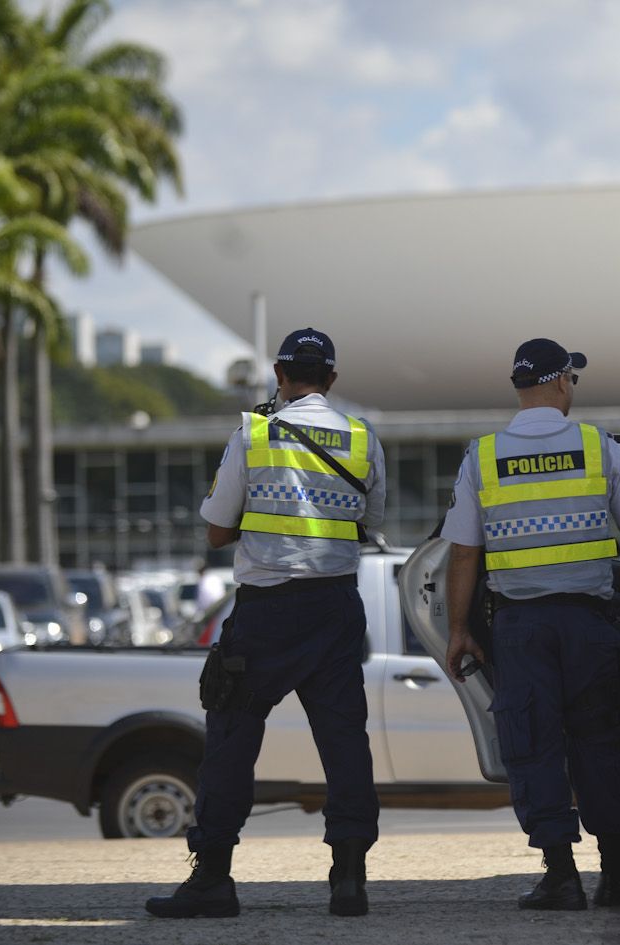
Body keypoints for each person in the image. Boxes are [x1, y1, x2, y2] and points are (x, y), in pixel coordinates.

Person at [145, 327, 386, 919]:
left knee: (230, 740)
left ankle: (213, 879)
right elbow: (368, 523)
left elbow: (218, 530)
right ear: (331, 379)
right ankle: (349, 878)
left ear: (279, 375)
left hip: (267, 611)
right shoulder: (361, 437)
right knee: (344, 743)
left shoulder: (253, 433)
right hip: (334, 608)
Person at [442, 338, 620, 911]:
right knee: (597, 744)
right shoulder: (597, 445)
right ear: (561, 382)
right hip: (589, 623)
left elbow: (463, 553)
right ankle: (617, 875)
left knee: (533, 746)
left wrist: (458, 629)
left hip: (520, 629)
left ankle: (560, 876)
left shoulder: (482, 456)